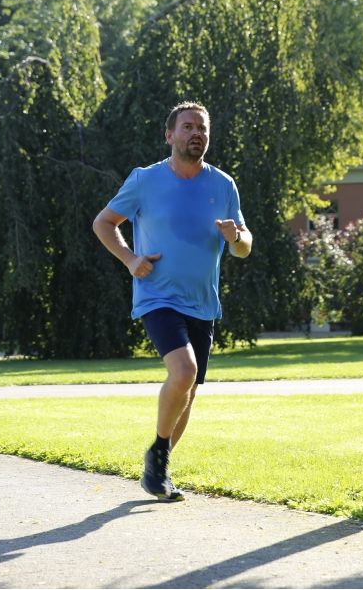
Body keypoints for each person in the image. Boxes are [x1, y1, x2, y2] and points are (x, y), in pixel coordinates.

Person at [92, 101, 252, 501]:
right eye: (187, 127)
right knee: (183, 372)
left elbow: (244, 247)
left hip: (203, 303)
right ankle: (158, 461)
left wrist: (236, 236)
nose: (195, 133)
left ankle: (157, 466)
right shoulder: (145, 180)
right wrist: (130, 259)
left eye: (202, 128)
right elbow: (103, 222)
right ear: (170, 135)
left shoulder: (223, 184)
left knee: (189, 390)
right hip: (158, 296)